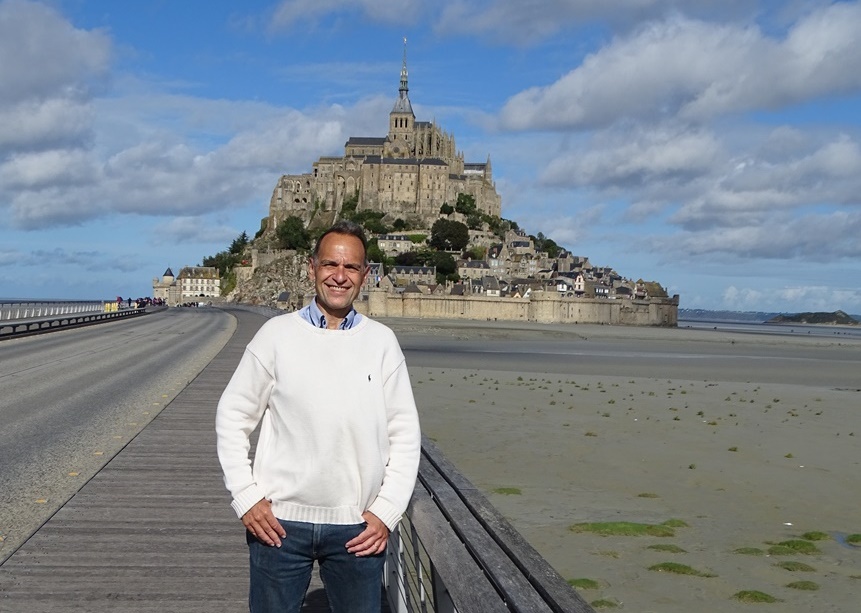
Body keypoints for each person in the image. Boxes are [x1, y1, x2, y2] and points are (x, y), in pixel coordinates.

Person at [216, 220, 421, 613]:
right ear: (312, 268)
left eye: (351, 267)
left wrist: (387, 511)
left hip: (357, 528)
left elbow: (406, 435)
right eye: (330, 264)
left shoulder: (382, 343)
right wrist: (246, 497)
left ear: (365, 274)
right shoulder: (275, 335)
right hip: (278, 523)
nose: (340, 276)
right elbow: (232, 416)